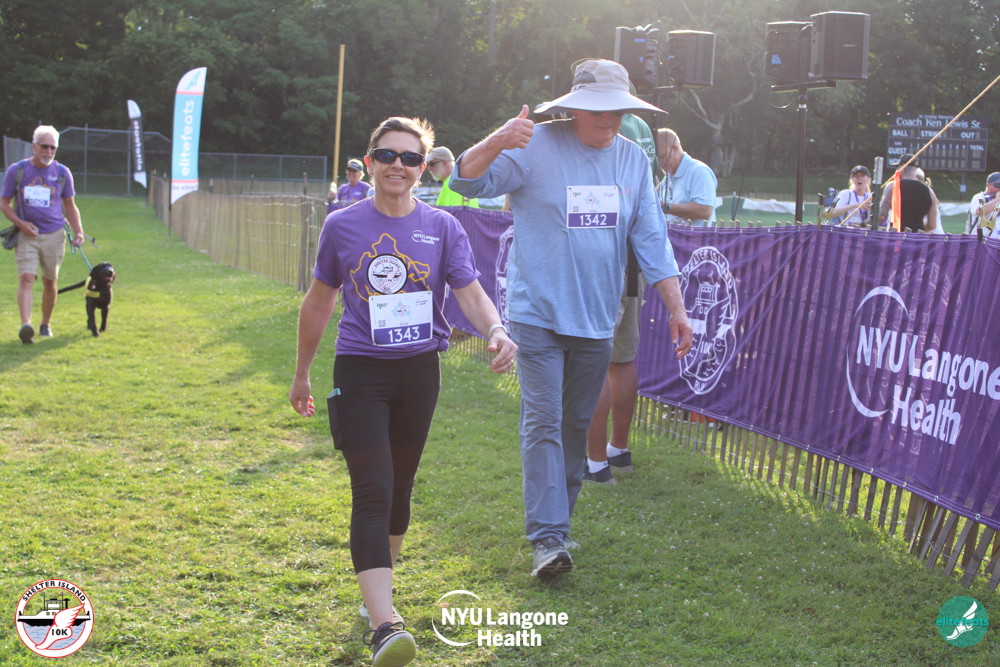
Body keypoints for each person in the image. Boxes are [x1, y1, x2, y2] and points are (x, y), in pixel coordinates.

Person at [450, 59, 693, 577]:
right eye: (597, 109)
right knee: (543, 421)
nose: (608, 119)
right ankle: (548, 538)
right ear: (574, 108)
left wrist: (677, 307)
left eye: (617, 110)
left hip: (598, 318)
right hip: (536, 314)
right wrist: (498, 139)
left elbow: (652, 238)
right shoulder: (534, 144)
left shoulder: (632, 159)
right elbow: (465, 182)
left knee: (575, 424)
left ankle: (557, 528)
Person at [289, 117, 517, 666]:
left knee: (399, 488)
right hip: (361, 371)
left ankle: (377, 596)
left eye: (411, 158)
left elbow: (469, 291)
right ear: (370, 162)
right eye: (388, 155)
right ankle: (385, 625)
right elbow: (319, 301)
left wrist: (495, 328)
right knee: (373, 489)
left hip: (419, 373)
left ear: (423, 168)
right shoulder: (342, 225)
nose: (399, 165)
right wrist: (302, 372)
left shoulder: (443, 227)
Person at [584, 95, 657, 485]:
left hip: (602, 262)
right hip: (633, 260)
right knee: (622, 359)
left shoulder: (597, 128)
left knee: (593, 362)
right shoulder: (641, 126)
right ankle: (618, 449)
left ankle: (595, 462)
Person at [0, 125, 85, 344]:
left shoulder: (63, 173)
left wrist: (78, 231)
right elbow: (4, 203)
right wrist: (21, 224)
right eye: (44, 146)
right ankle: (26, 325)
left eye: (52, 148)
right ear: (34, 146)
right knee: (27, 277)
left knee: (50, 281)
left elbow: (70, 205)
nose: (48, 151)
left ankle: (45, 324)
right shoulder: (17, 171)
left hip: (55, 235)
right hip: (26, 235)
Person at [656, 127, 717, 227]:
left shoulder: (699, 171)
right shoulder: (667, 178)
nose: (660, 163)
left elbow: (705, 210)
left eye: (662, 157)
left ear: (675, 149)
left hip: (697, 237)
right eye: (657, 158)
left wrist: (666, 207)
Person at [878, 154, 939, 232]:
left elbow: (881, 216)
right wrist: (919, 233)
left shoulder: (892, 186)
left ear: (901, 167)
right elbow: (932, 225)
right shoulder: (929, 191)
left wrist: (866, 222)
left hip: (895, 236)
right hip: (917, 237)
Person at [966, 171, 1000, 236]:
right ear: (988, 185)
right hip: (979, 239)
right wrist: (997, 200)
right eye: (998, 185)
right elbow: (979, 212)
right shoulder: (979, 197)